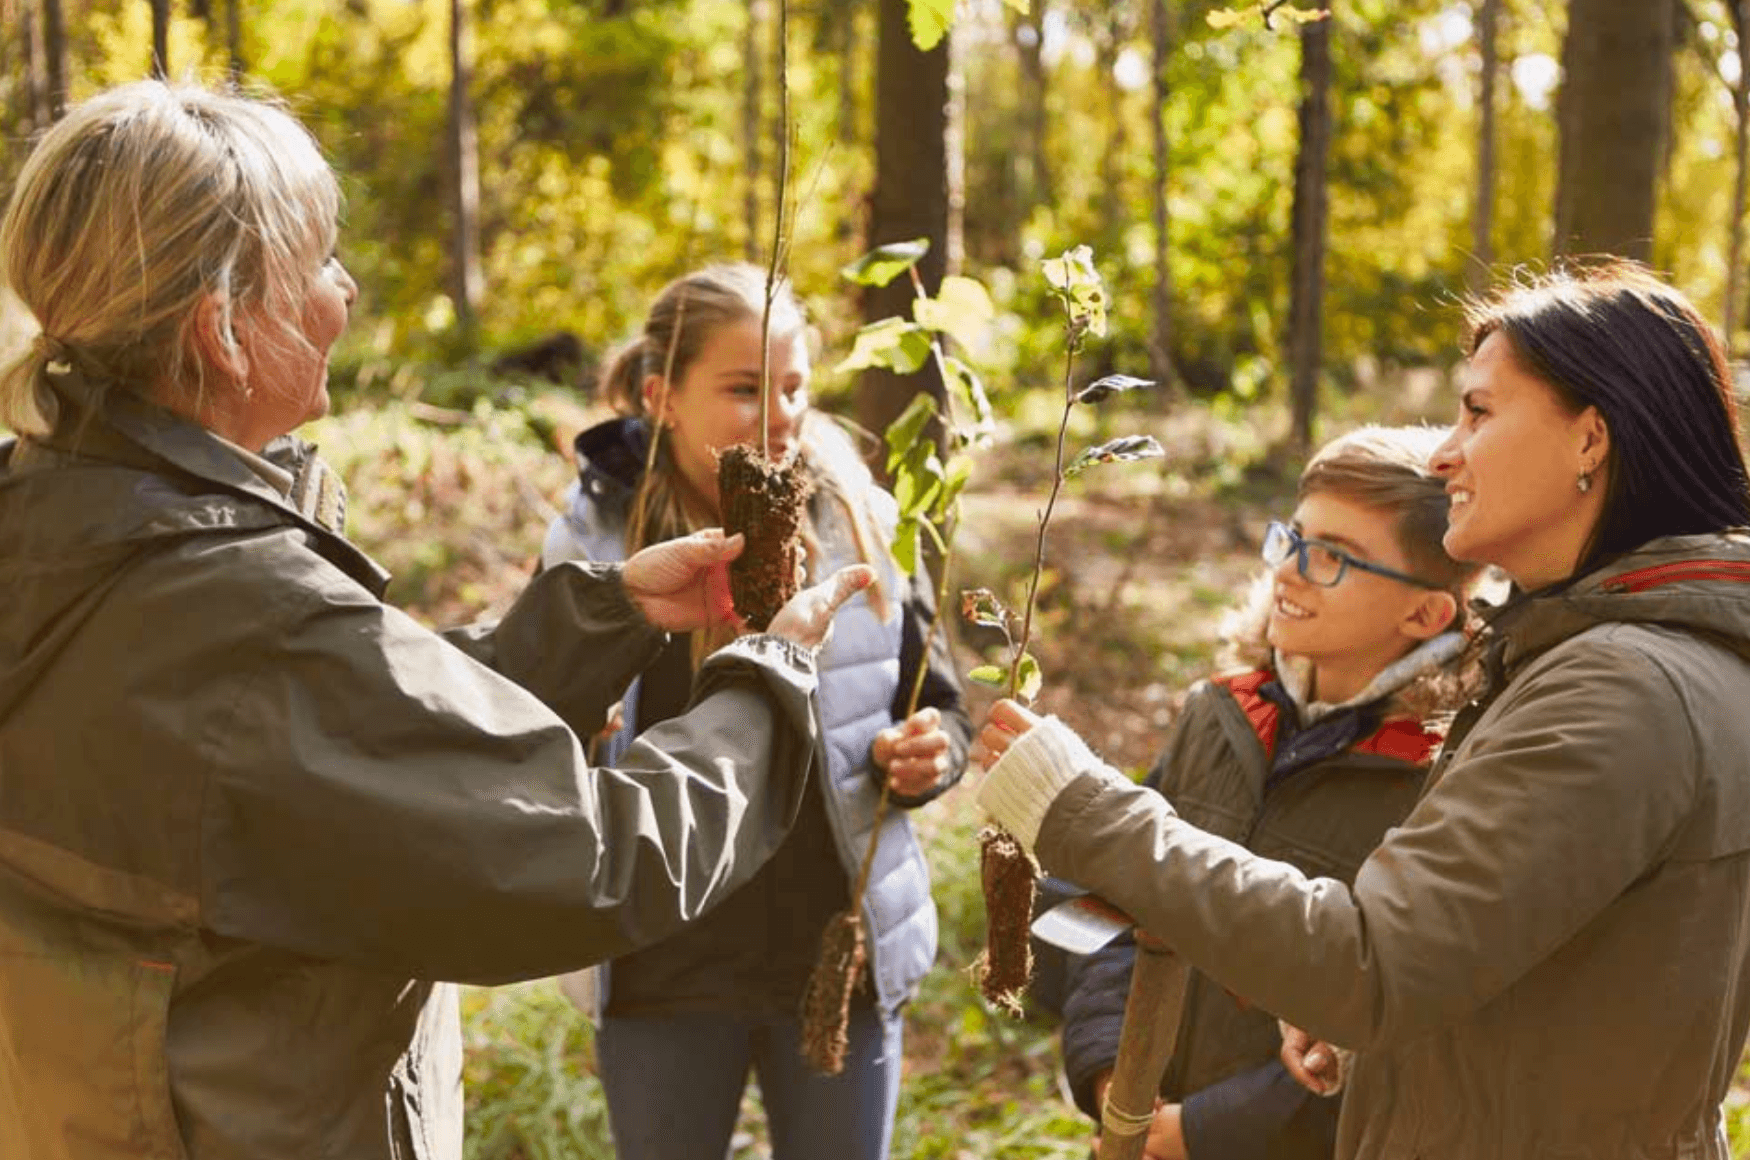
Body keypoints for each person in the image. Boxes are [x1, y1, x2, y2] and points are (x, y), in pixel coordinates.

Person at [0, 80, 874, 1160]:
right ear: (221, 330)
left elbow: (321, 744)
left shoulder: (62, 519)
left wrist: (603, 616)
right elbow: (591, 860)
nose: (345, 291)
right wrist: (770, 673)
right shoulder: (232, 611)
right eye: (317, 262)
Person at [976, 262, 1750, 1159]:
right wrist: (1392, 1041)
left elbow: (1371, 961)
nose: (1442, 454)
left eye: (1479, 411)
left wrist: (1080, 806)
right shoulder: (1625, 657)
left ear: (1591, 438)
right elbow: (1552, 960)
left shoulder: (1622, 689)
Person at [541, 262, 972, 1160]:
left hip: (829, 957)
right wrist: (578, 732)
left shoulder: (861, 519)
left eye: (794, 386)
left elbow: (936, 698)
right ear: (662, 396)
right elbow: (534, 721)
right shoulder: (594, 537)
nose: (779, 416)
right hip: (660, 959)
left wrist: (933, 753)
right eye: (743, 389)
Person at [1055, 426, 1481, 1160]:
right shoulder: (1216, 714)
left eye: (1332, 558)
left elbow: (1406, 1011)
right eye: (1292, 538)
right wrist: (1112, 1080)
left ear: (1424, 614)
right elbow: (1107, 903)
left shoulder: (1443, 773)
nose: (1288, 572)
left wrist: (1209, 1130)